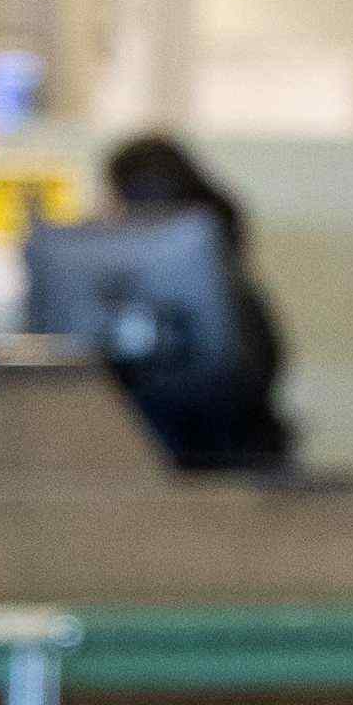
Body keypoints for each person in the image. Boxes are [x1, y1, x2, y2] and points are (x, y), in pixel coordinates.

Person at [56, 130, 295, 475]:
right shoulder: (133, 293)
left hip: (222, 469)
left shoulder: (219, 286)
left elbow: (243, 380)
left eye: (112, 198)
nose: (103, 213)